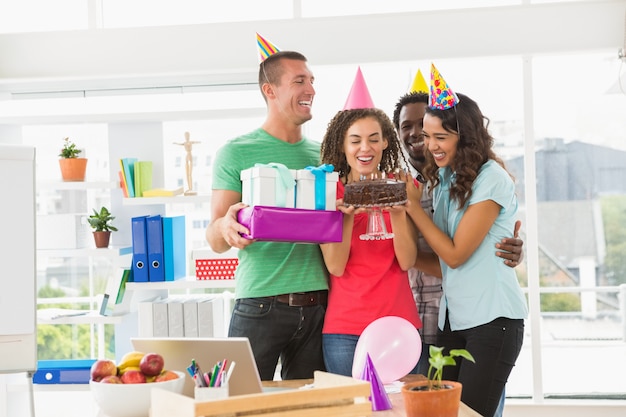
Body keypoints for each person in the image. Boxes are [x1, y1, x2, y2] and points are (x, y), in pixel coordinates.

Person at [405, 67, 528, 417]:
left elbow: (456, 255)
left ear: (465, 136)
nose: (430, 145)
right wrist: (403, 255)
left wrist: (414, 209)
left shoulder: (491, 178)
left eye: (440, 137)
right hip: (454, 321)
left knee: (472, 414)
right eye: (427, 137)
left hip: (493, 321)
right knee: (441, 412)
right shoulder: (443, 180)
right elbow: (444, 265)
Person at [206, 50, 328, 381]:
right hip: (260, 304)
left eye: (312, 81)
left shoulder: (325, 154)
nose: (311, 89)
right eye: (299, 81)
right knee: (241, 403)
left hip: (320, 306)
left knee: (310, 409)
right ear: (269, 90)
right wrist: (226, 226)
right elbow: (215, 239)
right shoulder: (236, 152)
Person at [319, 101, 421, 376]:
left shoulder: (401, 187)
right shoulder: (329, 194)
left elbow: (407, 261)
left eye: (373, 139)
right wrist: (349, 216)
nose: (365, 148)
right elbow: (335, 267)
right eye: (355, 141)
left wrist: (398, 213)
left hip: (399, 327)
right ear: (342, 146)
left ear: (386, 142)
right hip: (345, 331)